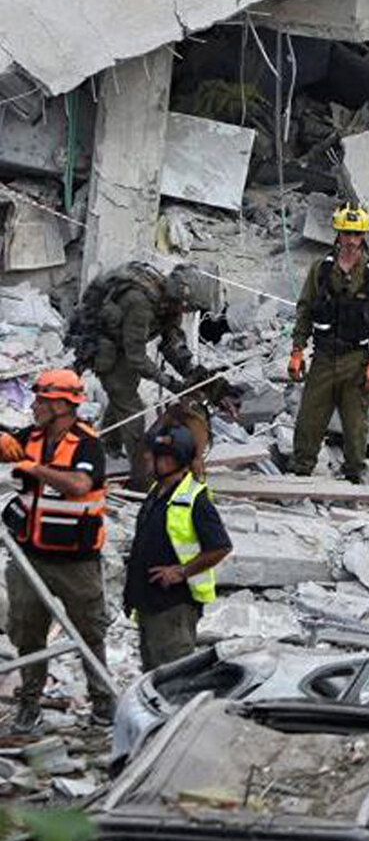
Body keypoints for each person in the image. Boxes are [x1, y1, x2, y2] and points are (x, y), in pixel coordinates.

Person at [1, 370, 111, 732]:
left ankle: (103, 704)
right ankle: (29, 703)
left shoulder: (87, 444)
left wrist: (36, 468)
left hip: (75, 562)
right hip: (28, 555)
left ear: (63, 405)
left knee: (88, 633)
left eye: (42, 400)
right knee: (27, 632)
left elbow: (79, 484)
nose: (34, 406)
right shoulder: (30, 437)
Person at [70, 261, 222, 490]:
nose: (186, 313)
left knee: (124, 394)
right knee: (132, 409)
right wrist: (170, 383)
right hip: (107, 349)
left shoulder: (168, 304)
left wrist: (191, 372)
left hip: (125, 347)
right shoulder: (139, 302)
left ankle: (107, 444)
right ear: (180, 297)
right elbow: (136, 358)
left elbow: (171, 342)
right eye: (187, 308)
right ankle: (143, 479)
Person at [287, 202, 369, 484]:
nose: (350, 240)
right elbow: (305, 310)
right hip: (323, 357)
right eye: (346, 233)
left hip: (356, 360)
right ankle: (300, 471)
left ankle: (354, 477)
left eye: (356, 235)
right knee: (310, 419)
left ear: (363, 237)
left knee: (355, 425)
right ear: (338, 234)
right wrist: (297, 350)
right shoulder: (321, 269)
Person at [123, 425, 232, 669]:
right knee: (152, 672)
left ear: (172, 460)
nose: (147, 459)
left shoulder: (195, 499)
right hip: (149, 602)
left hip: (173, 607)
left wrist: (180, 572)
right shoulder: (157, 491)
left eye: (154, 456)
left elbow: (220, 546)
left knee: (173, 676)